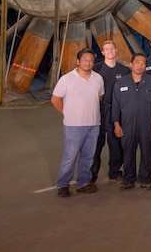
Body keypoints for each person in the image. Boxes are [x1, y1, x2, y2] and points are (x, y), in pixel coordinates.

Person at [51, 48, 104, 197]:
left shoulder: (98, 78)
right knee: (70, 157)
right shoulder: (67, 79)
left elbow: (99, 96)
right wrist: (66, 112)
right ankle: (63, 185)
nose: (88, 62)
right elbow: (55, 100)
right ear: (78, 61)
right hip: (74, 126)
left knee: (88, 156)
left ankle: (84, 183)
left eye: (91, 60)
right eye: (85, 60)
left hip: (94, 124)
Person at [112, 53, 151, 191]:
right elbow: (115, 106)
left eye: (143, 63)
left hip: (147, 122)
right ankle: (128, 178)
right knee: (128, 150)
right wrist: (116, 123)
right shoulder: (121, 83)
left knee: (147, 150)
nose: (140, 66)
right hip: (127, 123)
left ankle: (145, 178)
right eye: (138, 62)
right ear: (131, 64)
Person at [90, 40, 130, 184]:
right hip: (99, 110)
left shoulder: (124, 71)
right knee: (96, 144)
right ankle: (91, 176)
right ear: (102, 52)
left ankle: (114, 172)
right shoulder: (95, 69)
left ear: (116, 50)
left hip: (117, 111)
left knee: (116, 144)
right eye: (106, 49)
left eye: (112, 48)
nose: (109, 51)